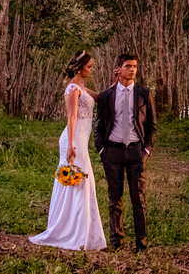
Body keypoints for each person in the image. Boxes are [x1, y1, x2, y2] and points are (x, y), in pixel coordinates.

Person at [28, 52, 109, 251]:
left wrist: (117, 81)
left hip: (80, 138)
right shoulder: (73, 88)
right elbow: (72, 116)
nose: (91, 69)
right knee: (77, 180)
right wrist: (71, 144)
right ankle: (69, 231)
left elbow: (100, 98)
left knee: (82, 182)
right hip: (74, 140)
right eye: (89, 66)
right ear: (79, 68)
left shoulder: (82, 87)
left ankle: (83, 231)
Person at [94, 52, 156, 252]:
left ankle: (141, 244)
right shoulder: (106, 95)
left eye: (135, 66)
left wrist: (146, 150)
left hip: (136, 152)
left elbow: (152, 126)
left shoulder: (144, 94)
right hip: (112, 151)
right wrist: (102, 150)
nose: (132, 70)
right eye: (128, 66)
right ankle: (117, 242)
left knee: (138, 199)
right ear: (119, 69)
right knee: (115, 198)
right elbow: (99, 126)